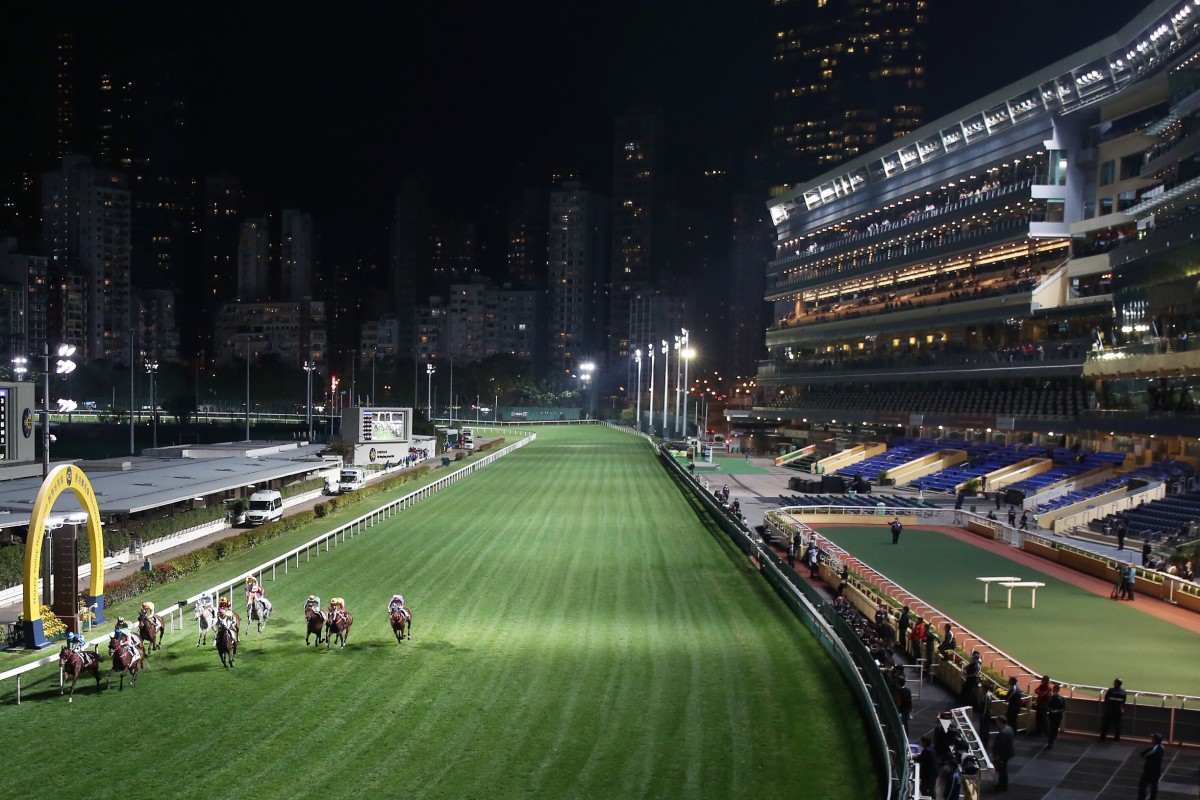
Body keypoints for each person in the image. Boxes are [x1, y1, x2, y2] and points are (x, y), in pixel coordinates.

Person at [1138, 732, 1165, 800]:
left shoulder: (1152, 748)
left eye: (1153, 738)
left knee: (1142, 785)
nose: (1151, 739)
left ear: (1156, 740)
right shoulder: (1162, 747)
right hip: (1157, 770)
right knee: (1154, 786)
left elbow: (1142, 754)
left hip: (1149, 770)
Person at [993, 715, 1016, 791]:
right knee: (1003, 769)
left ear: (1000, 722)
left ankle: (1003, 785)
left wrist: (996, 755)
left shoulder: (1003, 732)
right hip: (1008, 753)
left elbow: (1001, 746)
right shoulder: (1009, 728)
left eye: (997, 721)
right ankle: (1001, 784)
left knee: (1002, 771)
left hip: (1004, 754)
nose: (997, 723)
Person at [1045, 683, 1066, 749]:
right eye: (1054, 690)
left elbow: (1064, 708)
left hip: (1058, 716)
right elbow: (1046, 706)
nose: (1054, 691)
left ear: (1058, 690)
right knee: (1051, 728)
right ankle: (1050, 741)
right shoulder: (1050, 698)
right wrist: (1051, 710)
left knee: (1055, 728)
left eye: (1056, 690)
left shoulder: (1061, 699)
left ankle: (1052, 739)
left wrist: (1057, 711)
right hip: (1051, 715)